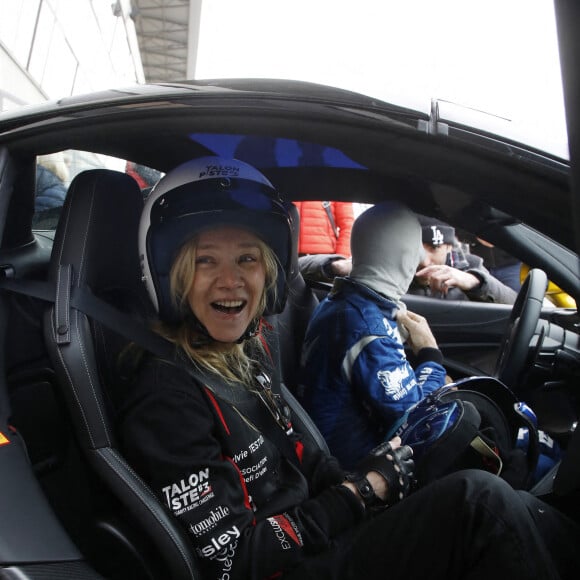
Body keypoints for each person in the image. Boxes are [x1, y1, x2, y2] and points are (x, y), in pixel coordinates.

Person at [117, 158, 580, 580]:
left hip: (315, 533)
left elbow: (304, 456)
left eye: (247, 258)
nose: (231, 279)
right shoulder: (167, 397)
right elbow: (235, 561)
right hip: (283, 567)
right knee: (481, 504)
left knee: (521, 508)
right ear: (169, 272)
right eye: (205, 260)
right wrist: (361, 492)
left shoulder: (240, 350)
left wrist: (358, 482)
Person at [298, 202, 449, 470]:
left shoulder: (343, 303)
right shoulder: (368, 329)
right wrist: (430, 355)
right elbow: (415, 420)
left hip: (350, 454)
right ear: (406, 259)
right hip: (363, 473)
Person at [410, 216, 518, 304]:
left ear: (449, 247)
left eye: (434, 248)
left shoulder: (469, 266)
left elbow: (515, 305)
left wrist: (476, 283)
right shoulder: (394, 274)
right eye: (415, 250)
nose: (425, 262)